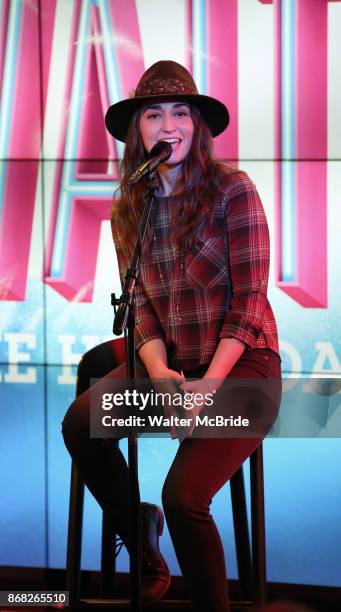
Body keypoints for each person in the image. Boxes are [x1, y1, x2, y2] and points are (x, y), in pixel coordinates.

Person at [62, 60, 282, 611]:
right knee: (81, 424)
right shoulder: (130, 207)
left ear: (197, 125)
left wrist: (206, 389)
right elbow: (140, 307)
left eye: (180, 112)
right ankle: (141, 536)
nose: (169, 125)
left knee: (184, 498)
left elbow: (249, 303)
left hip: (241, 371)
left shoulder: (233, 191)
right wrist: (160, 376)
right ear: (138, 131)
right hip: (174, 372)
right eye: (154, 114)